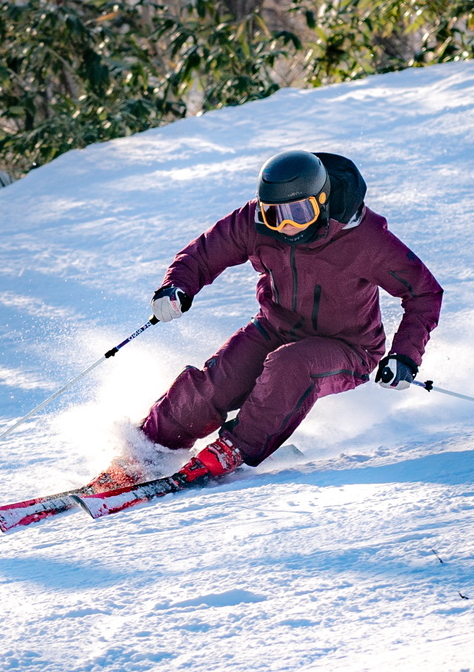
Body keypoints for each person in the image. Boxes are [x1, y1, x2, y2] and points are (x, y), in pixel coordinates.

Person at [96, 149, 443, 491]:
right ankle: (150, 450)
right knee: (216, 385)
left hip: (348, 347)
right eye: (276, 215)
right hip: (273, 327)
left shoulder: (365, 238)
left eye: (300, 212)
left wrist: (404, 357)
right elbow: (203, 253)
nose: (288, 225)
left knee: (290, 365)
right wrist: (176, 287)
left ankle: (236, 447)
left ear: (322, 201)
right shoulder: (254, 222)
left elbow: (424, 293)